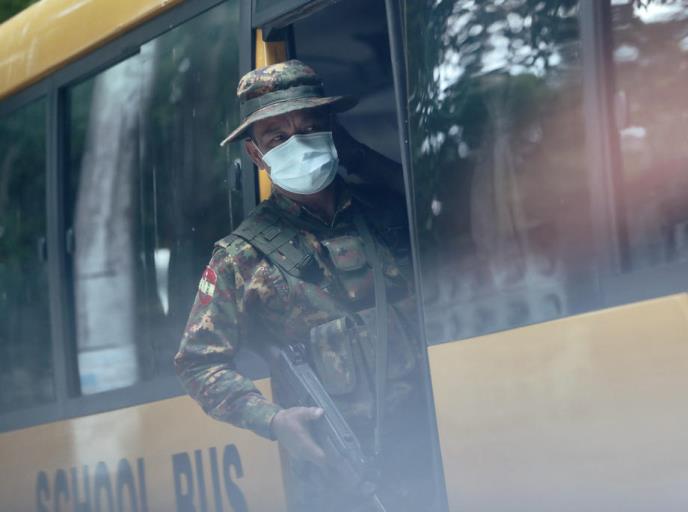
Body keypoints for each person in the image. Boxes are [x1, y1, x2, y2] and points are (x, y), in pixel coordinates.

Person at [174, 59, 433, 511]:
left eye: (311, 127)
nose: (298, 143)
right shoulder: (240, 257)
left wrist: (360, 156)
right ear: (256, 155)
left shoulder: (389, 209)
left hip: (435, 447)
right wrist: (274, 421)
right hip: (345, 482)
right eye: (277, 137)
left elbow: (447, 195)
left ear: (333, 132)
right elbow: (198, 363)